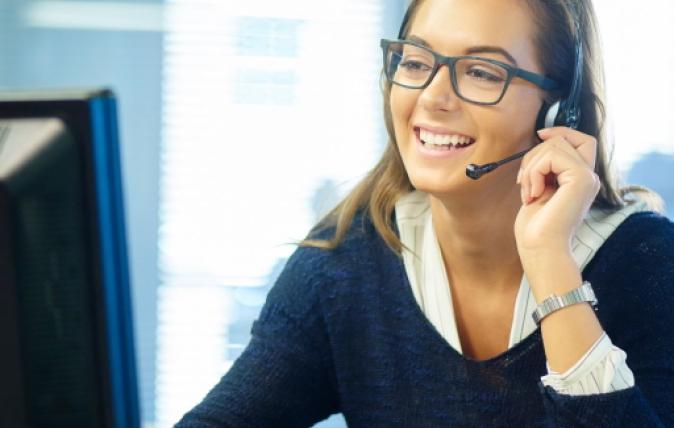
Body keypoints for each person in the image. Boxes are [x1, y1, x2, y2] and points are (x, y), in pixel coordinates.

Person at [176, 0, 674, 426]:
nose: (433, 98)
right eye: (416, 63)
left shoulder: (646, 263)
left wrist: (550, 261)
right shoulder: (349, 260)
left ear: (557, 109)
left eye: (482, 72)